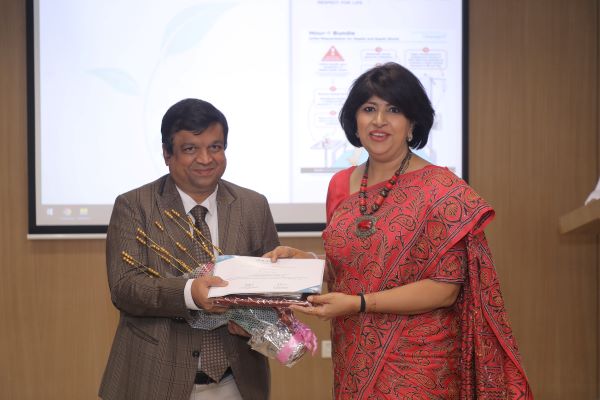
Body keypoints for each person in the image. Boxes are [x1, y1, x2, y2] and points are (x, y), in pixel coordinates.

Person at [265, 62, 533, 399]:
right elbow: (350, 268)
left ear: (412, 123)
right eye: (369, 109)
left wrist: (359, 304)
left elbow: (445, 288)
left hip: (422, 364)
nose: (379, 120)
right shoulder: (340, 185)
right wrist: (303, 261)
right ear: (355, 121)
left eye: (393, 109)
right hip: (355, 356)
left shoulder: (442, 189)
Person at [99, 98, 280, 400]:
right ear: (167, 154)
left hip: (238, 381)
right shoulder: (134, 206)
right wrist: (189, 293)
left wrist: (263, 315)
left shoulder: (253, 205)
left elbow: (272, 292)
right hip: (155, 380)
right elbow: (125, 288)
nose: (205, 159)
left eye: (215, 147)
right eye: (190, 149)